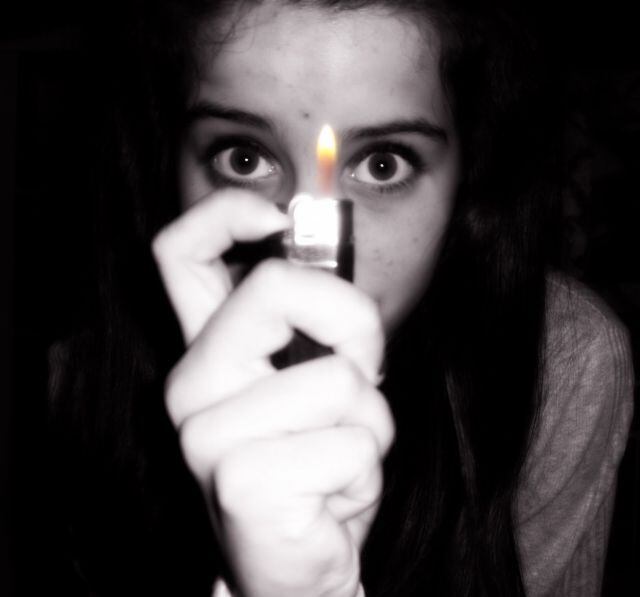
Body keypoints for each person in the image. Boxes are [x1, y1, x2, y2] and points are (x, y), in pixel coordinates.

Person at [47, 0, 634, 595]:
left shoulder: (561, 366)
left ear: (468, 182)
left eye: (382, 165)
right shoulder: (82, 380)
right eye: (244, 158)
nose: (311, 249)